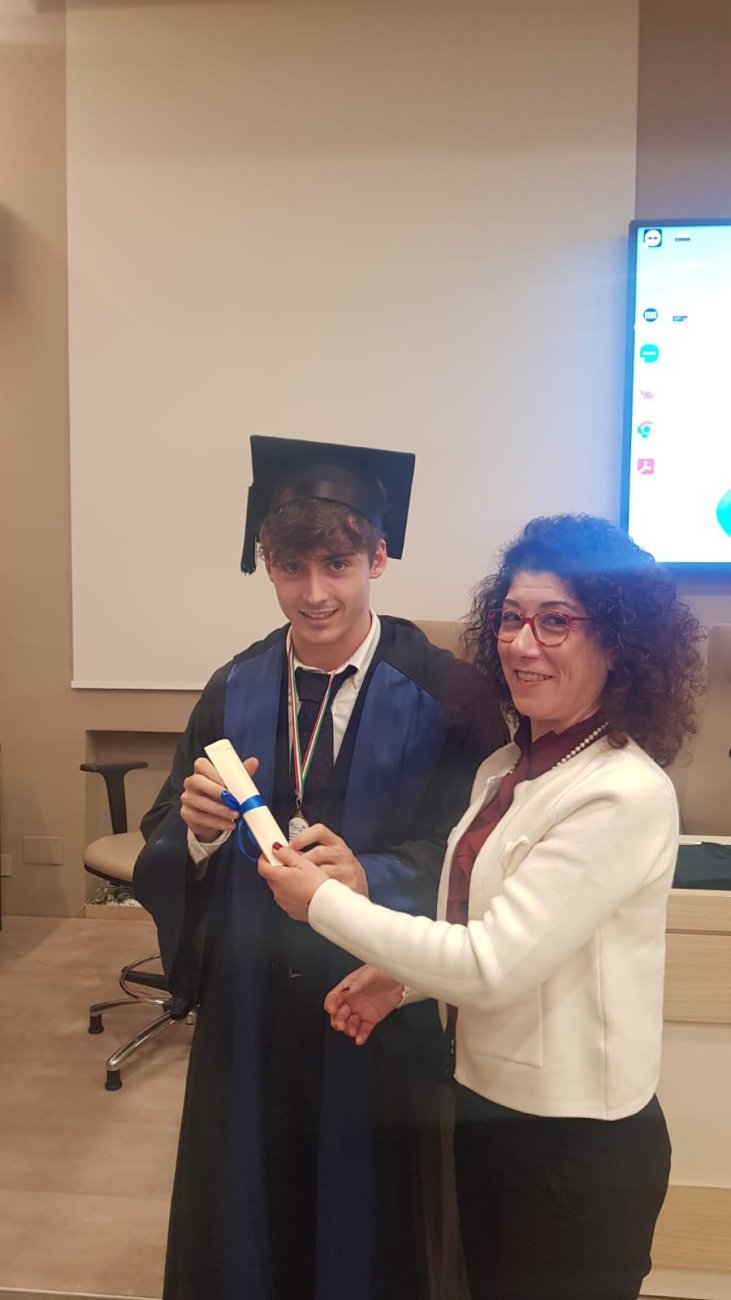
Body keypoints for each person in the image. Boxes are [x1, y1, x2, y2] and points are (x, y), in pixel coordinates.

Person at [260, 513, 704, 1300]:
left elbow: (493, 966)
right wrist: (406, 980)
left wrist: (321, 901)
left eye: (555, 621)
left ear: (617, 643)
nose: (521, 644)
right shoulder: (509, 765)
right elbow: (499, 930)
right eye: (510, 617)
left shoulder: (620, 792)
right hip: (489, 1110)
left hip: (576, 1147)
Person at [133, 435, 502, 1300]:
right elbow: (162, 833)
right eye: (289, 568)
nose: (313, 593)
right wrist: (197, 835)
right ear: (266, 566)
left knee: (371, 1225)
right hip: (251, 1006)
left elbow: (482, 849)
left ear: (377, 557)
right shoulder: (234, 686)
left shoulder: (449, 694)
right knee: (248, 1211)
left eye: (336, 564)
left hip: (377, 1003)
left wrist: (372, 876)